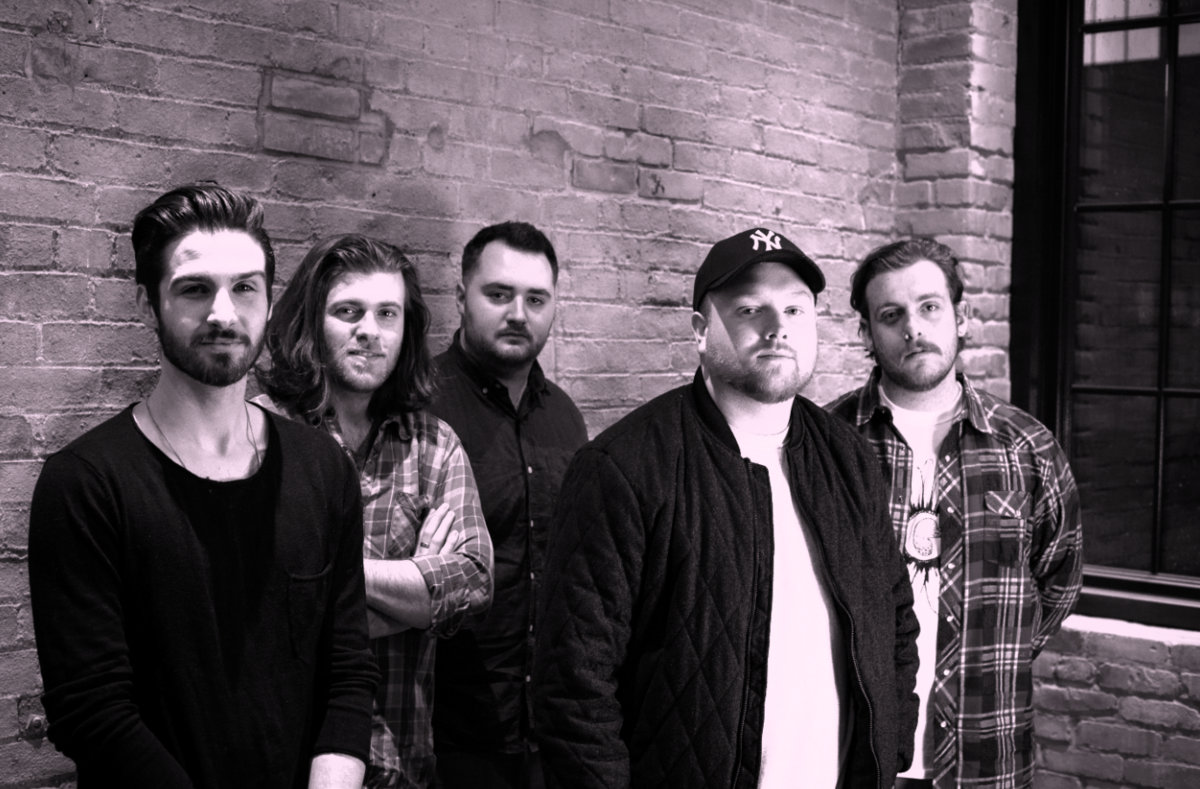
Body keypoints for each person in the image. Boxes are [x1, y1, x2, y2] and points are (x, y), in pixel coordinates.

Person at [535, 227, 919, 788]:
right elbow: (574, 686)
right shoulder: (624, 468)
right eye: (749, 309)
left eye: (795, 309)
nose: (777, 327)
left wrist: (890, 742)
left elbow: (895, 616)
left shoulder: (849, 459)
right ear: (700, 330)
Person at [27, 184, 377, 788]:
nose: (223, 313)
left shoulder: (323, 468)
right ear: (148, 305)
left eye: (245, 288)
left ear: (269, 302)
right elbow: (91, 711)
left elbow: (347, 669)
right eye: (195, 289)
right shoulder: (85, 484)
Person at [827, 238, 1083, 789]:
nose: (913, 328)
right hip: (856, 751)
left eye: (929, 307)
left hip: (986, 750)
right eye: (891, 315)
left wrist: (997, 653)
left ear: (961, 317)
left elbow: (1060, 576)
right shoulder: (828, 443)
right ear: (866, 334)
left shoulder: (1026, 446)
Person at [255, 234, 493, 789]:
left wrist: (331, 582)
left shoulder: (434, 443)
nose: (370, 330)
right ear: (311, 322)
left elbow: (474, 581)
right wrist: (416, 590)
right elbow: (258, 609)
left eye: (388, 313)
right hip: (291, 762)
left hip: (403, 765)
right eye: (348, 312)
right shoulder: (261, 434)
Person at [429, 222, 587, 788]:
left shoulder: (565, 417)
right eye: (499, 294)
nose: (518, 314)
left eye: (536, 299)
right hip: (447, 732)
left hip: (550, 729)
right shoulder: (419, 406)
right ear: (461, 298)